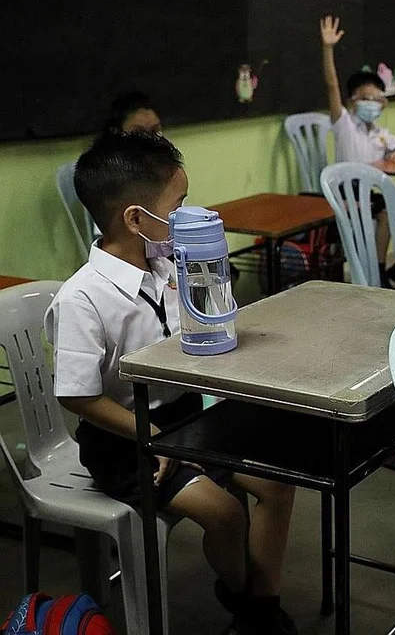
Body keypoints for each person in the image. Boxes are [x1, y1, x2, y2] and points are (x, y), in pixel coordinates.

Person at [44, 131, 297, 635]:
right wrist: (152, 435)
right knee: (224, 513)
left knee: (277, 481)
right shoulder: (83, 299)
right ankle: (251, 611)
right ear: (135, 219)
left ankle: (258, 605)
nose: (187, 216)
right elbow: (76, 395)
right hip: (124, 441)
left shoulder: (169, 268)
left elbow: (205, 338)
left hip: (187, 421)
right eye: (178, 207)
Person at [319, 15, 395, 286]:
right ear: (353, 100)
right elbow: (331, 86)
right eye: (368, 98)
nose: (374, 104)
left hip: (369, 197)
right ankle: (376, 271)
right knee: (388, 211)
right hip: (347, 197)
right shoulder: (344, 124)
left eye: (379, 99)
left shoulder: (379, 133)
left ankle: (394, 270)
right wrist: (327, 48)